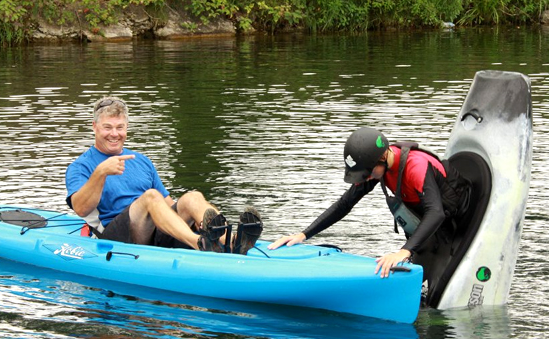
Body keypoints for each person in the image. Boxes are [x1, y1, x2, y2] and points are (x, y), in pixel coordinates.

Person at [65, 96, 263, 254]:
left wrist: (192, 219)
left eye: (120, 127)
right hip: (117, 236)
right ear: (95, 126)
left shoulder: (141, 160)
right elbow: (81, 209)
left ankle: (232, 241)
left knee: (192, 197)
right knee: (151, 196)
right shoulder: (81, 166)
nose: (114, 134)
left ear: (126, 128)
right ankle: (201, 243)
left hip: (154, 231)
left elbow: (167, 205)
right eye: (107, 127)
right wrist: (101, 173)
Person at [268, 127, 471, 277]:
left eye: (367, 173)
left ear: (384, 156)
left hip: (459, 217)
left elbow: (435, 212)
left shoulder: (415, 167)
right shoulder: (376, 167)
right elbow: (345, 204)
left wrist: (403, 251)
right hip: (434, 226)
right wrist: (304, 234)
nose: (365, 178)